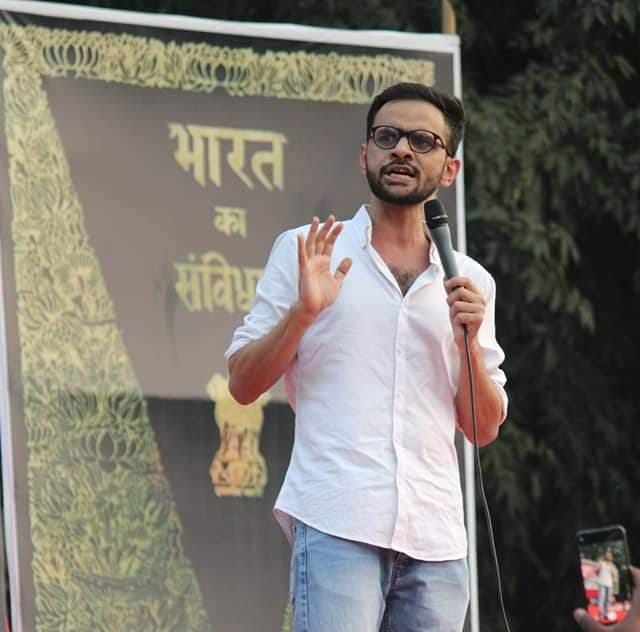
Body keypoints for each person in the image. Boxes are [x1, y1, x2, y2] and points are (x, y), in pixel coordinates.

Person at [225, 82, 508, 632]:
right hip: (338, 519)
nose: (402, 149)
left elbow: (482, 428)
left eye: (422, 141)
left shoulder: (470, 280)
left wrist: (468, 342)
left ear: (450, 169)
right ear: (364, 156)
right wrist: (303, 313)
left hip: (437, 539)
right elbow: (241, 383)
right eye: (387, 136)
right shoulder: (308, 251)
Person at [575, 566, 640, 632]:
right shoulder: (606, 565)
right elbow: (611, 573)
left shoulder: (605, 564)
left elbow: (604, 572)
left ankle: (603, 614)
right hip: (606, 584)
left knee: (604, 599)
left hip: (606, 583)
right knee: (604, 599)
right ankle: (602, 614)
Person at [595, 549, 619, 622]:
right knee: (602, 598)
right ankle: (601, 614)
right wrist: (599, 574)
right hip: (602, 583)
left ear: (611, 557)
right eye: (607, 555)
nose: (608, 556)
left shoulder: (612, 565)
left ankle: (605, 614)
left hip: (609, 584)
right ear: (605, 556)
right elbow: (596, 571)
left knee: (607, 600)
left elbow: (615, 574)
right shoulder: (601, 562)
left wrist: (613, 579)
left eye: (610, 555)